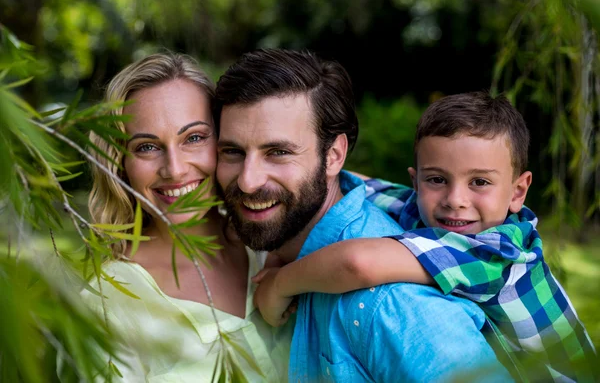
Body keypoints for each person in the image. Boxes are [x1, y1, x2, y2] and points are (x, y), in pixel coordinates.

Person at [252, 91, 598, 382]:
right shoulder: (420, 205)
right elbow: (349, 182)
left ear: (518, 192)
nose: (455, 199)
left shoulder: (496, 253)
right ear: (416, 181)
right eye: (437, 179)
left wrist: (280, 284)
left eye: (479, 182)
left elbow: (358, 264)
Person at [214, 48, 513, 382]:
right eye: (232, 152)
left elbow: (356, 265)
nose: (248, 181)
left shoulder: (392, 303)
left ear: (334, 156)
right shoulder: (273, 243)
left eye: (279, 152)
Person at [85, 52, 292, 382]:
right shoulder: (109, 302)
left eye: (194, 138)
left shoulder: (272, 241)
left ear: (224, 138)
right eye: (146, 147)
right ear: (120, 163)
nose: (175, 169)